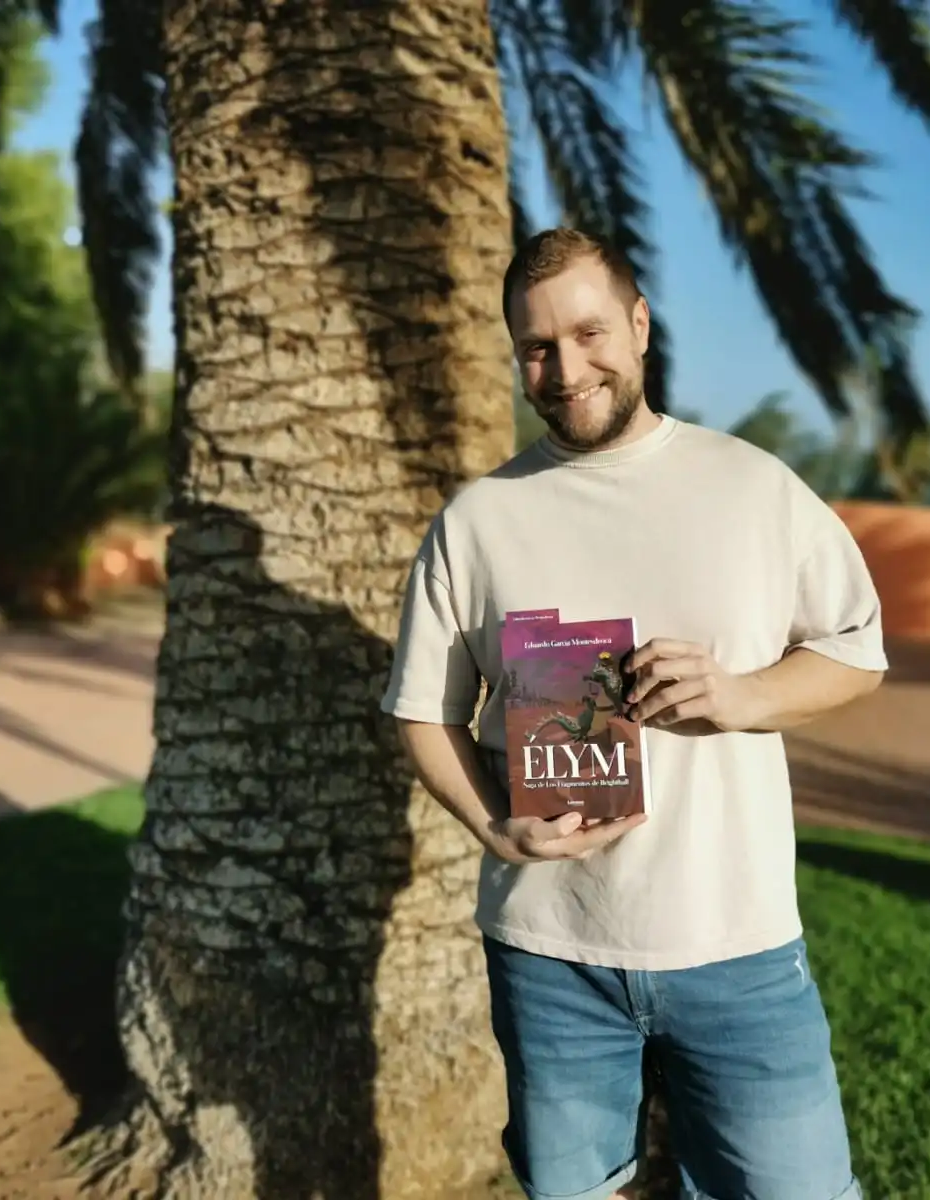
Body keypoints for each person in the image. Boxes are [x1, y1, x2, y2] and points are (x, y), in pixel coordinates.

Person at [380, 227, 887, 1200]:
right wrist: (492, 822)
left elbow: (855, 653)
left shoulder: (752, 489)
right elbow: (422, 712)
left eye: (588, 332)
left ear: (640, 325)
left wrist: (743, 696)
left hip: (737, 946)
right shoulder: (478, 521)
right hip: (548, 953)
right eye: (535, 346)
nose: (565, 368)